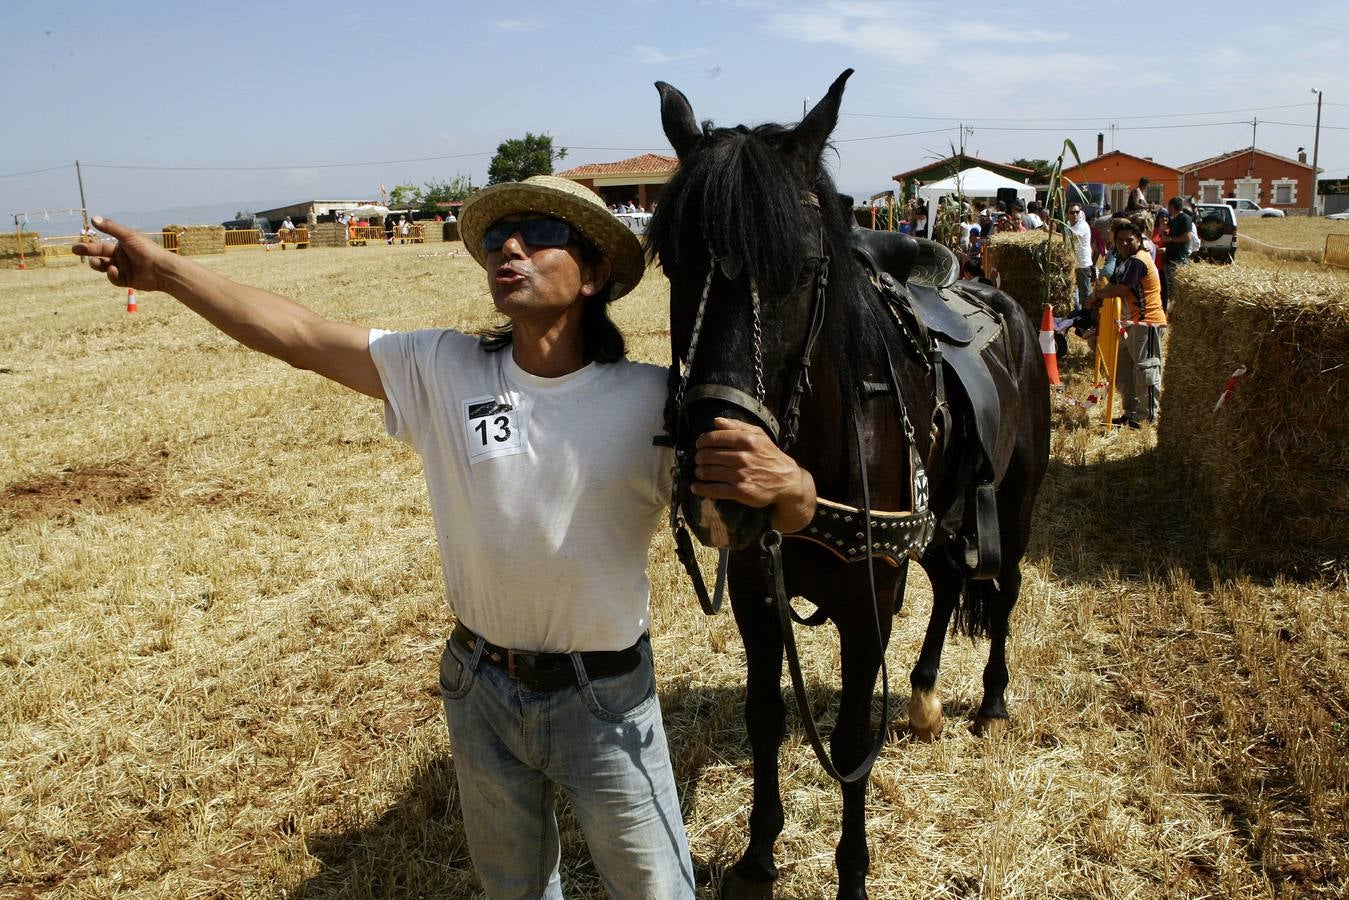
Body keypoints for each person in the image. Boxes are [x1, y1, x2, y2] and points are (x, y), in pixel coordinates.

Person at [73, 175, 816, 899]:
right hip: (477, 683)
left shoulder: (653, 400)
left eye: (541, 235)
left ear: (594, 274)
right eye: (498, 236)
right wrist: (167, 272)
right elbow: (298, 335)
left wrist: (796, 495)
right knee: (512, 887)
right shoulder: (443, 367)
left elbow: (729, 530)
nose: (510, 249)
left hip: (603, 697)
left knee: (650, 886)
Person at [1091, 218, 1166, 428]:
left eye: (1129, 240)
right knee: (1126, 371)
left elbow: (1120, 289)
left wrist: (1097, 295)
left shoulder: (1138, 260)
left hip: (1147, 323)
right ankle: (1131, 413)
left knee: (1146, 370)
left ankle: (1148, 418)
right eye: (1120, 240)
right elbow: (1113, 283)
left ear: (1139, 241)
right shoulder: (1124, 261)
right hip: (1129, 323)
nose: (1124, 243)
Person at [1162, 196, 1192, 306]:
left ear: (1172, 207)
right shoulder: (1172, 220)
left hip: (1178, 259)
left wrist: (1170, 239)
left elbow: (1187, 237)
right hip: (1170, 258)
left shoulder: (1185, 219)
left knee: (1176, 288)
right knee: (1170, 288)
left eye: (1168, 206)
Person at [1067, 203, 1094, 310]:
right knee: (1074, 292)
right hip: (1075, 264)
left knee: (1085, 295)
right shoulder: (1070, 225)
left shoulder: (1082, 225)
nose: (1075, 214)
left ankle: (1088, 317)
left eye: (1077, 212)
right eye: (1072, 212)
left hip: (1083, 265)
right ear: (1067, 215)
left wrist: (1051, 232)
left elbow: (1069, 239)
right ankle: (1079, 314)